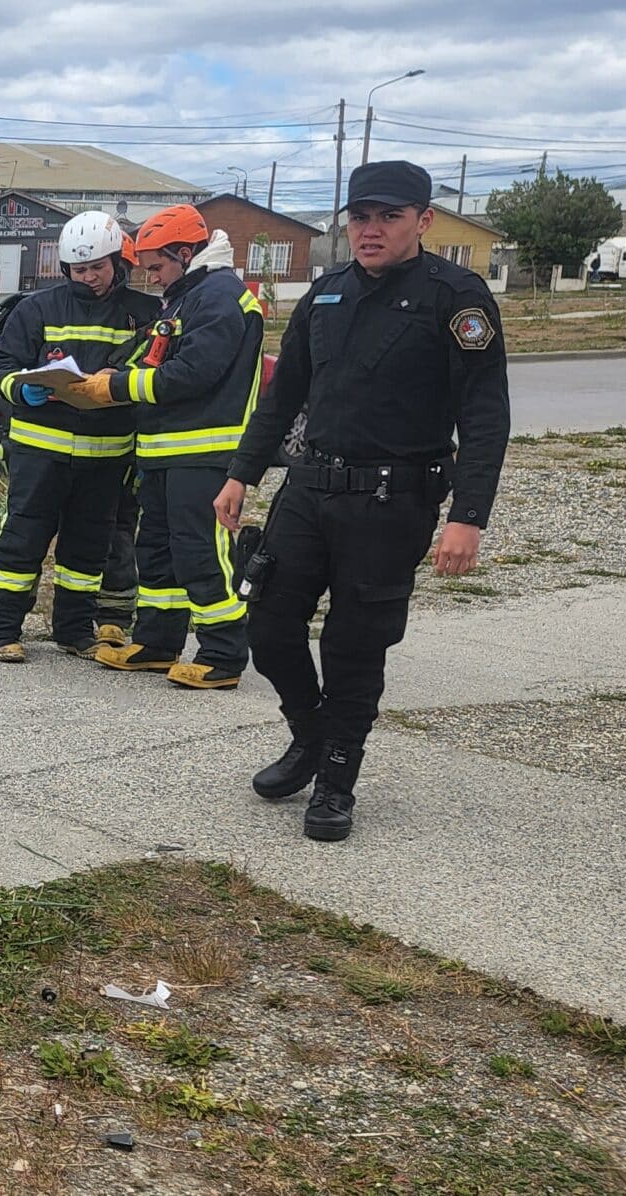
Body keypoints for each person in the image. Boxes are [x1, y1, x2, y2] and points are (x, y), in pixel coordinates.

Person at [217, 160, 509, 843]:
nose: (370, 230)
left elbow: (486, 413)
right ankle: (311, 736)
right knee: (267, 624)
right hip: (309, 489)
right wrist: (241, 474)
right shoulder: (327, 293)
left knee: (353, 645)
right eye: (360, 217)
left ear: (423, 220)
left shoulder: (456, 299)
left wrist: (469, 515)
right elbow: (283, 395)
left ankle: (338, 778)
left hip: (391, 501)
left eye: (388, 217)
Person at [63, 205, 262, 689]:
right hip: (164, 451)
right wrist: (107, 372)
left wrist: (118, 387)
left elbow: (193, 373)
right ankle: (156, 642)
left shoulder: (218, 297)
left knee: (200, 550)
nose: (150, 278)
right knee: (156, 550)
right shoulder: (185, 296)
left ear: (186, 253)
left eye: (157, 266)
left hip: (203, 450)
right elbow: (148, 352)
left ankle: (222, 654)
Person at [0, 212, 160, 661]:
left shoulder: (144, 313)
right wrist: (24, 387)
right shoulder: (37, 308)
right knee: (22, 540)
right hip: (40, 452)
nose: (90, 277)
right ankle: (1, 630)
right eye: (80, 270)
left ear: (118, 262)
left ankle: (74, 631)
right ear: (65, 269)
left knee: (87, 549)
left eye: (98, 266)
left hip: (106, 457)